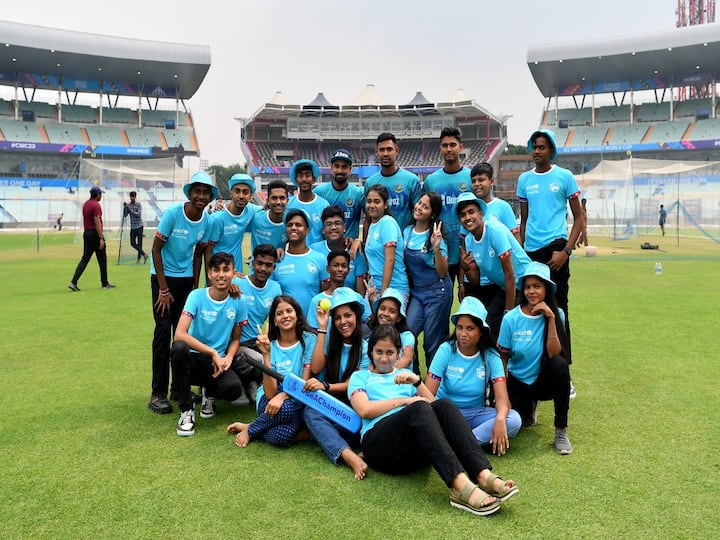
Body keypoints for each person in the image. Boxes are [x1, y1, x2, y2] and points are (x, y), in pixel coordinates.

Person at [348, 325, 519, 517]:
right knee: (419, 407)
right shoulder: (360, 377)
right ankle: (460, 486)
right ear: (371, 351)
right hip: (379, 447)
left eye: (390, 352)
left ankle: (482, 474)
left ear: (399, 354)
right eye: (379, 352)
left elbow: (436, 408)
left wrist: (417, 383)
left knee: (444, 404)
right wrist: (407, 400)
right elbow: (364, 409)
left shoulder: (404, 377)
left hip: (410, 455)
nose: (384, 358)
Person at [147, 171, 217, 415]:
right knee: (163, 333)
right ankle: (157, 393)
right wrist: (163, 290)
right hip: (163, 279)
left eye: (205, 192)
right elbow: (156, 250)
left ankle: (180, 390)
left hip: (186, 280)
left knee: (183, 336)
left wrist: (195, 287)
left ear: (210, 196)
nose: (201, 196)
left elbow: (199, 254)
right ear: (190, 193)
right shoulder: (174, 214)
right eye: (197, 191)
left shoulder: (207, 221)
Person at [517, 128, 581, 371]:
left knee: (559, 309)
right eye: (534, 146)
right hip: (532, 253)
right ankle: (534, 369)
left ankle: (563, 369)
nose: (537, 151)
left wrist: (566, 251)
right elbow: (524, 220)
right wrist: (522, 251)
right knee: (530, 309)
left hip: (556, 250)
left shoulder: (564, 177)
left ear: (551, 150)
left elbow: (579, 219)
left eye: (542, 147)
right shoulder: (524, 180)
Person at [425, 297, 521, 453]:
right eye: (460, 327)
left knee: (514, 420)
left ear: (481, 331)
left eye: (470, 328)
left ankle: (455, 445)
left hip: (476, 413)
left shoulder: (491, 356)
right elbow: (428, 393)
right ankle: (470, 444)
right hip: (446, 413)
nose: (463, 333)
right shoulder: (446, 349)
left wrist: (500, 418)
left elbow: (502, 398)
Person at [497, 262, 573, 455]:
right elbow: (503, 358)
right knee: (520, 424)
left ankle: (561, 431)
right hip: (519, 381)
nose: (532, 291)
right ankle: (528, 406)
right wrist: (501, 394)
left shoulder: (558, 314)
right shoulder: (511, 319)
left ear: (546, 289)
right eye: (528, 286)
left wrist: (551, 319)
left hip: (544, 381)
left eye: (537, 286)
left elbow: (554, 354)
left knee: (560, 365)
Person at [170, 252, 249, 436]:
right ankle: (186, 412)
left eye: (226, 269)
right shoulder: (196, 296)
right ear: (210, 274)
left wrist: (228, 357)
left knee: (233, 389)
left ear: (233, 273)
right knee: (179, 348)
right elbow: (179, 334)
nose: (221, 274)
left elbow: (236, 339)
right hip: (194, 358)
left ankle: (209, 396)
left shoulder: (239, 300)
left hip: (217, 363)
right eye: (216, 270)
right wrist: (212, 352)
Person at [227, 295, 317, 448]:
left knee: (283, 436)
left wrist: (284, 395)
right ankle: (255, 427)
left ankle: (250, 427)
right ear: (274, 320)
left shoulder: (309, 340)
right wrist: (266, 354)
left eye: (289, 311)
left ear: (297, 314)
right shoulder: (271, 346)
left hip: (296, 400)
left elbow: (304, 380)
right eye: (279, 313)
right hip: (270, 401)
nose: (285, 316)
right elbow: (270, 394)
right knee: (286, 409)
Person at [304, 287, 369, 479]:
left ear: (357, 316)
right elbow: (315, 368)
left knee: (319, 422)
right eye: (338, 317)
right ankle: (349, 456)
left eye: (347, 315)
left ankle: (316, 435)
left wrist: (326, 386)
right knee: (310, 412)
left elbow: (353, 384)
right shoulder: (329, 340)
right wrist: (323, 327)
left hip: (355, 406)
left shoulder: (365, 348)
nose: (343, 322)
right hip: (330, 404)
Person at [456, 192, 531, 340]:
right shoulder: (469, 241)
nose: (468, 218)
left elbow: (510, 274)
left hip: (524, 283)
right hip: (506, 287)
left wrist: (508, 311)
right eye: (463, 215)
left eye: (471, 212)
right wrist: (466, 268)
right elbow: (476, 282)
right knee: (487, 328)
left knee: (513, 333)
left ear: (481, 213)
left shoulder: (495, 231)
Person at [403, 192, 452, 371]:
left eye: (425, 206)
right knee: (407, 335)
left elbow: (442, 271)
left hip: (437, 293)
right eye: (419, 203)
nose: (419, 207)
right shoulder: (406, 232)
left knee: (432, 343)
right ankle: (414, 380)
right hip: (417, 292)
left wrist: (437, 248)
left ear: (432, 214)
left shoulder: (435, 235)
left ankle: (435, 388)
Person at [232, 243, 283, 404]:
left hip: (257, 341)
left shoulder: (275, 288)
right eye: (259, 263)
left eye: (268, 265)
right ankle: (244, 382)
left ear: (274, 268)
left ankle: (253, 382)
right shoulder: (236, 284)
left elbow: (277, 319)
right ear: (252, 263)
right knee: (262, 362)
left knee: (277, 361)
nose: (263, 268)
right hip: (236, 343)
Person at [423, 127, 471, 286]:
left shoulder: (471, 177)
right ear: (440, 148)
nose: (449, 149)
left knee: (470, 301)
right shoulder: (431, 181)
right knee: (442, 304)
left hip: (468, 250)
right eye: (445, 145)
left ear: (461, 147)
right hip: (442, 250)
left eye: (453, 144)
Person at [272, 209, 328, 315]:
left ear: (307, 230)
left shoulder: (320, 259)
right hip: (286, 326)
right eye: (290, 225)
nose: (293, 228)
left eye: (298, 225)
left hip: (312, 325)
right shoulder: (277, 260)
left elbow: (325, 294)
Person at [363, 132, 422, 234]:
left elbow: (420, 216)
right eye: (382, 150)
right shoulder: (370, 183)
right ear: (376, 152)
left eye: (389, 149)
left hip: (404, 244)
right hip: (379, 245)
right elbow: (368, 219)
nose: (385, 153)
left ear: (396, 151)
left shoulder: (411, 180)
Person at [306, 250, 371, 331]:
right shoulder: (317, 301)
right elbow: (313, 332)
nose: (340, 269)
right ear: (328, 269)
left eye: (344, 266)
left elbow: (370, 324)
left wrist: (372, 301)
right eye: (336, 265)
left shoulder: (356, 297)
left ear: (348, 270)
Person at [207, 174, 259, 274]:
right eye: (237, 191)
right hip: (219, 274)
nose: (241, 196)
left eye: (245, 192)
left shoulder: (251, 210)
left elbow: (269, 210)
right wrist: (211, 276)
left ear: (251, 195)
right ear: (231, 193)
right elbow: (207, 251)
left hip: (237, 272)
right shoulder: (217, 218)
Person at [364, 185, 409, 298]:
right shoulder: (373, 225)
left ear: (385, 204)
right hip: (374, 287)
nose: (372, 205)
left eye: (377, 202)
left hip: (393, 288)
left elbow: (390, 259)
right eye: (369, 201)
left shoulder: (387, 223)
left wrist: (384, 294)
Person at [310, 205, 368, 294]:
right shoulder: (314, 250)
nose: (333, 227)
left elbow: (361, 293)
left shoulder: (355, 251)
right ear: (323, 230)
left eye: (337, 223)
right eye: (329, 224)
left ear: (344, 227)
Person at [68, 185, 115, 291]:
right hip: (95, 234)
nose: (101, 196)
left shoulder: (86, 204)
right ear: (97, 194)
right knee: (102, 259)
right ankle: (104, 283)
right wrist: (101, 238)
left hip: (87, 233)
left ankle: (73, 281)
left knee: (85, 259)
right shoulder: (96, 205)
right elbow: (97, 221)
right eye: (100, 194)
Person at [314, 149, 365, 239]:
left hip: (349, 250)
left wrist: (360, 242)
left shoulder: (358, 193)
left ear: (350, 169)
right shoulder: (319, 192)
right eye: (337, 166)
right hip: (326, 249)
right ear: (331, 168)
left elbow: (370, 218)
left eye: (344, 167)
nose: (340, 170)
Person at [469, 162, 519, 241]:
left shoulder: (503, 207)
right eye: (473, 181)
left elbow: (515, 237)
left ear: (491, 181)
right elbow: (465, 241)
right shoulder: (468, 210)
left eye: (481, 180)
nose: (477, 184)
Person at [368, 287, 415, 370]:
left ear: (398, 318)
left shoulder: (406, 336)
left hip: (402, 380)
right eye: (382, 309)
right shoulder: (372, 337)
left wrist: (384, 371)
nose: (385, 314)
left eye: (392, 311)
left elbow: (407, 358)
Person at [287, 159, 329, 245]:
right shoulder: (288, 204)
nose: (304, 179)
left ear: (313, 179)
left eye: (307, 175)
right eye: (300, 176)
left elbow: (327, 235)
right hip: (296, 255)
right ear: (296, 179)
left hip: (317, 255)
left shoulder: (324, 205)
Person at [249, 179, 289, 253]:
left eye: (282, 198)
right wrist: (222, 207)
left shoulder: (291, 223)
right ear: (267, 201)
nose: (278, 202)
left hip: (280, 264)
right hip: (256, 264)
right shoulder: (255, 218)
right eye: (274, 198)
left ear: (287, 201)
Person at [126, 191, 148, 263]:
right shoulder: (129, 205)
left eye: (133, 196)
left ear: (135, 197)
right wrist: (125, 209)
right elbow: (125, 215)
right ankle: (144, 254)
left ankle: (139, 259)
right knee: (132, 243)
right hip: (133, 227)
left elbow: (138, 214)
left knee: (139, 243)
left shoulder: (138, 204)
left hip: (139, 226)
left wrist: (130, 210)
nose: (132, 198)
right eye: (131, 196)